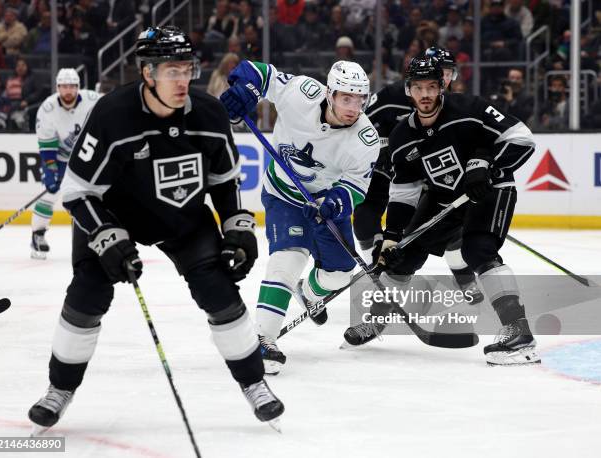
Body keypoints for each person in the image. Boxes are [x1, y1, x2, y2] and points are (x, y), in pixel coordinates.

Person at [28, 26, 284, 434]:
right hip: (114, 215)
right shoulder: (112, 115)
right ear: (147, 73)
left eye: (188, 69)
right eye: (171, 71)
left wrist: (238, 227)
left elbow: (223, 180)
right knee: (88, 293)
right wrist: (107, 237)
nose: (183, 80)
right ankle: (59, 390)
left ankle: (254, 383)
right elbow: (77, 192)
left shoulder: (209, 113)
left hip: (180, 216)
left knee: (218, 291)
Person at [344, 57, 539, 366]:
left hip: (491, 190)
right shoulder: (401, 136)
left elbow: (521, 138)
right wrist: (392, 238)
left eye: (432, 87)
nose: (425, 94)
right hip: (444, 196)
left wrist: (487, 166)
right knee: (403, 255)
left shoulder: (470, 108)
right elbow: (404, 192)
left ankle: (519, 332)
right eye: (418, 87)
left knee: (478, 251)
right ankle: (376, 321)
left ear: (442, 87)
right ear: (408, 90)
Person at [220, 59, 380, 374]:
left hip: (325, 205)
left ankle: (307, 293)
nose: (353, 107)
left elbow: (356, 187)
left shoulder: (366, 138)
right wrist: (245, 91)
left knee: (339, 274)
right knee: (288, 258)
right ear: (329, 93)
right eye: (346, 98)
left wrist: (333, 204)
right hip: (282, 194)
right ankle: (263, 339)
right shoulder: (303, 92)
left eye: (359, 99)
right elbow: (259, 73)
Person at [353, 47, 484, 304]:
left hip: (423, 179)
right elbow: (358, 125)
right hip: (384, 170)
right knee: (365, 221)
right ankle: (377, 275)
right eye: (441, 73)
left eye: (448, 74)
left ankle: (464, 277)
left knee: (445, 226)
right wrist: (382, 149)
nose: (444, 80)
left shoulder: (454, 107)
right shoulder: (390, 98)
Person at [30, 68, 100, 259]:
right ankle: (38, 234)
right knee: (50, 192)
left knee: (92, 194)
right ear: (57, 88)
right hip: (59, 157)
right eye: (64, 87)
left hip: (87, 155)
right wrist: (52, 169)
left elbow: (108, 117)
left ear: (78, 87)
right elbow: (46, 144)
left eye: (72, 86)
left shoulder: (93, 100)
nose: (68, 91)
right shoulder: (48, 109)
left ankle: (95, 235)